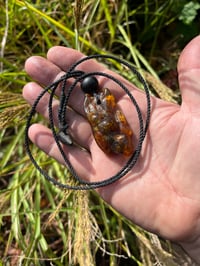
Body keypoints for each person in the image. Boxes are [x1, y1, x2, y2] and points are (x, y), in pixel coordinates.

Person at [23, 36, 200, 264]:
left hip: (119, 136)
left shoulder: (102, 100)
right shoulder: (92, 103)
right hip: (111, 135)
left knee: (115, 134)